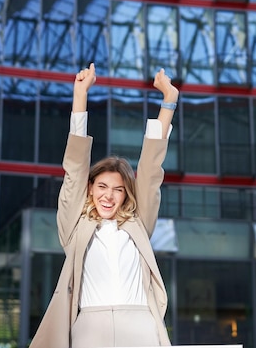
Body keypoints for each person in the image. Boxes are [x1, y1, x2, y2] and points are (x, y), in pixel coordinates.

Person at [30, 63, 178, 348]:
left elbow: (150, 171)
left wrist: (168, 100)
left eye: (118, 190)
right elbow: (74, 168)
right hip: (90, 328)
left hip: (140, 327)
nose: (108, 196)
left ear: (126, 195)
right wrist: (80, 94)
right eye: (102, 187)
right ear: (90, 189)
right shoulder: (75, 227)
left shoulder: (138, 223)